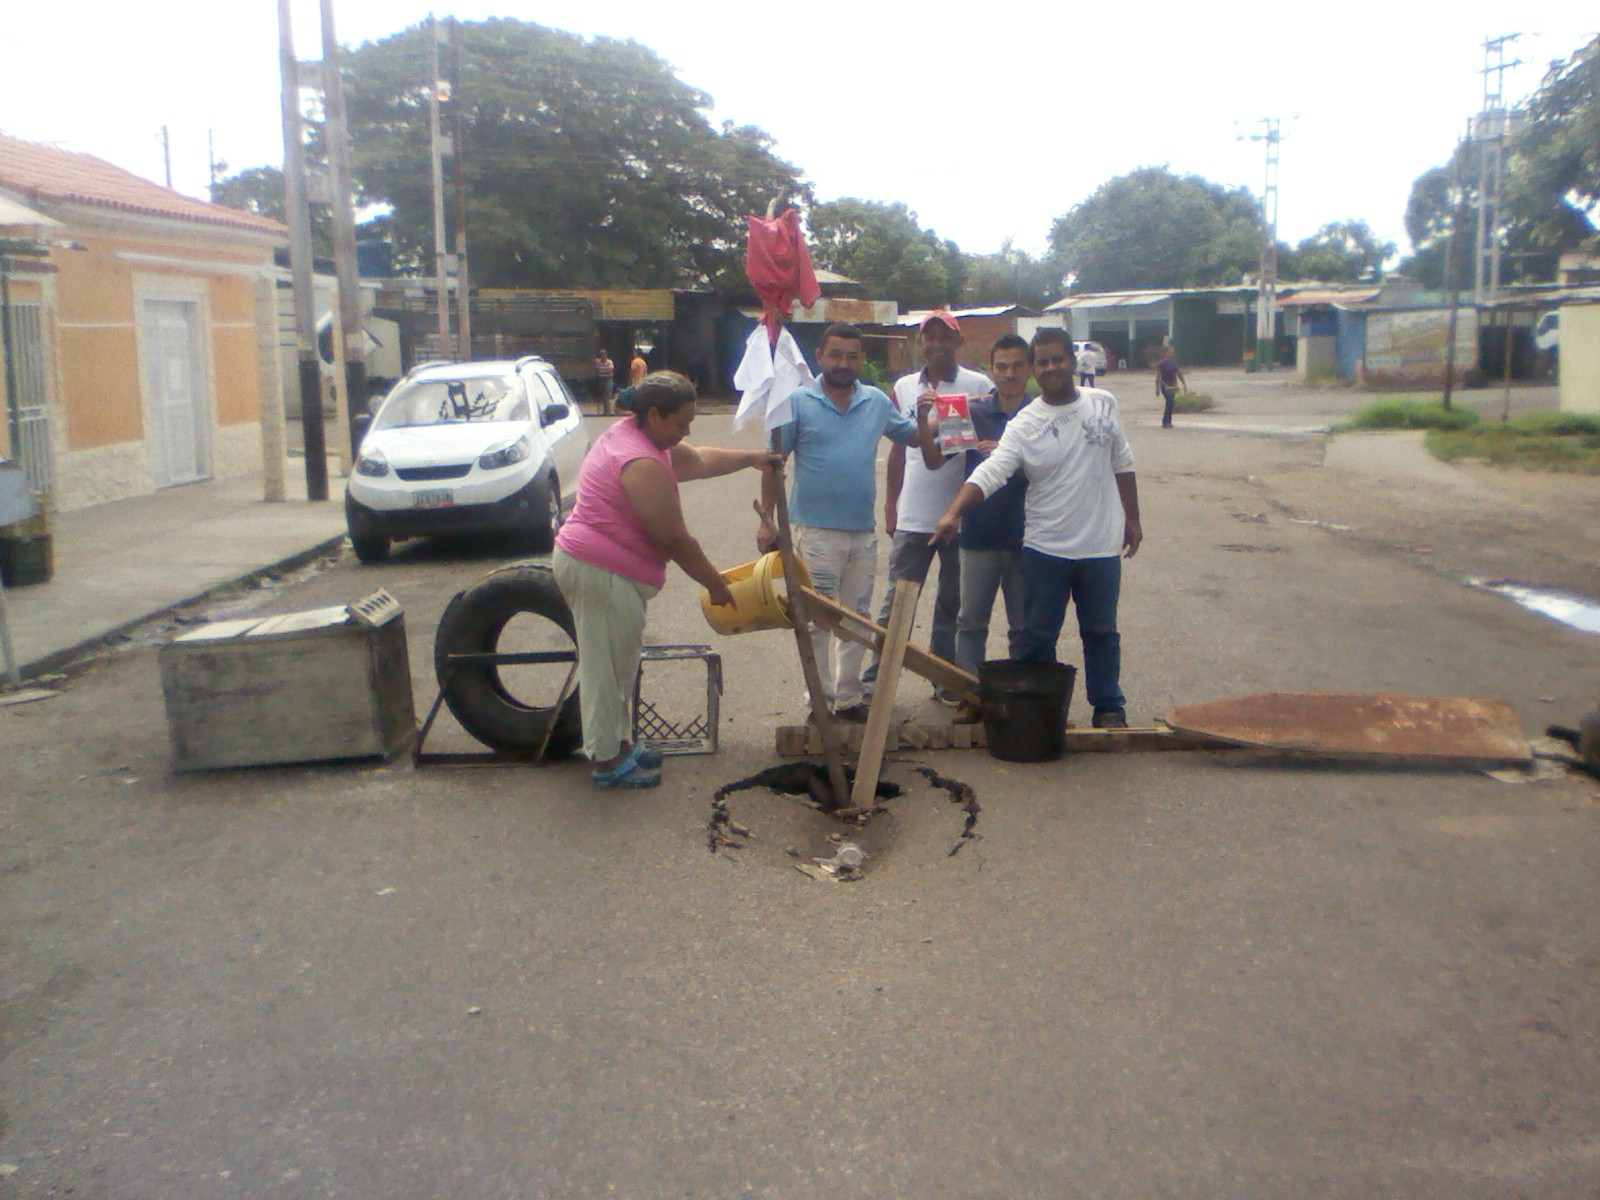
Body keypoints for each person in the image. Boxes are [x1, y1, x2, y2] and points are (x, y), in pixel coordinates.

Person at [554, 371, 777, 788]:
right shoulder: (640, 462)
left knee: (621, 663)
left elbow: (699, 460)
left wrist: (752, 458)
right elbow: (674, 538)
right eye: (680, 423)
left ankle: (620, 744)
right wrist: (715, 583)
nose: (686, 432)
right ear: (654, 414)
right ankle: (606, 761)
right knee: (606, 670)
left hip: (609, 573)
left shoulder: (643, 438)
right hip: (599, 571)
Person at [931, 327, 1142, 729]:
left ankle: (1108, 708)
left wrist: (1132, 519)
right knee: (1037, 638)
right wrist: (953, 512)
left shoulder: (1103, 404)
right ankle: (1038, 713)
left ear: (1073, 361)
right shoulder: (1025, 423)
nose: (1050, 368)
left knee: (1101, 632)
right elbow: (991, 472)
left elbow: (1122, 460)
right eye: (1042, 362)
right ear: (1035, 367)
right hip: (1046, 551)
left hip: (1100, 547)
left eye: (1057, 359)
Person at [757, 323, 939, 721]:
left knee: (857, 619)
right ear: (820, 356)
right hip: (815, 532)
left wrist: (948, 416)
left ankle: (850, 698)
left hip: (862, 532)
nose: (844, 363)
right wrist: (767, 520)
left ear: (862, 359)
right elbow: (774, 464)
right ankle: (820, 701)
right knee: (818, 619)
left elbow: (912, 436)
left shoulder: (875, 402)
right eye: (836, 355)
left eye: (852, 356)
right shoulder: (797, 402)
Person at [866, 309, 993, 704]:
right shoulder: (904, 387)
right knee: (896, 604)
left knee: (952, 606)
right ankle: (874, 684)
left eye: (945, 336)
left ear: (958, 341)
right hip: (914, 516)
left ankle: (946, 682)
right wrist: (891, 505)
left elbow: (969, 449)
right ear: (919, 342)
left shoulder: (979, 385)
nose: (937, 344)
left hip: (961, 517)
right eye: (929, 337)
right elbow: (899, 451)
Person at [951, 333, 1033, 724]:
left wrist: (1006, 455)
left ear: (1029, 369)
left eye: (1017, 366)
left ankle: (1022, 696)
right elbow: (935, 457)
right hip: (978, 532)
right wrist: (927, 417)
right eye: (1002, 366)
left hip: (1028, 536)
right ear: (991, 370)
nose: (1010, 374)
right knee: (970, 622)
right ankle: (970, 695)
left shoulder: (1041, 413)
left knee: (1023, 626)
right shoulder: (972, 411)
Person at [1155, 344, 1187, 428]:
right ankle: (1165, 421)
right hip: (1164, 385)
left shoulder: (1175, 362)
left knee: (1171, 403)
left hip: (1173, 385)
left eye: (1173, 352)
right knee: (1169, 401)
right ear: (1166, 353)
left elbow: (1179, 373)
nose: (1171, 354)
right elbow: (1158, 376)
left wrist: (1184, 384)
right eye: (1170, 352)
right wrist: (1157, 389)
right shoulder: (1161, 363)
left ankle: (1168, 421)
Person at [593, 348, 615, 415]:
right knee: (603, 396)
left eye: (604, 354)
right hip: (601, 379)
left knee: (607, 396)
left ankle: (608, 411)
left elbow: (610, 372)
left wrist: (605, 374)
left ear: (606, 355)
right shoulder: (598, 362)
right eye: (601, 355)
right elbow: (596, 370)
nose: (603, 356)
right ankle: (605, 411)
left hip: (608, 380)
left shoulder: (609, 362)